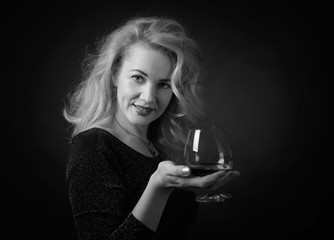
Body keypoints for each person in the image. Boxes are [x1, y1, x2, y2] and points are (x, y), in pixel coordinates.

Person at [63, 16, 240, 239]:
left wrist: (186, 190)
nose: (149, 97)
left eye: (164, 84)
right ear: (115, 74)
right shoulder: (94, 148)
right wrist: (159, 187)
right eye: (138, 77)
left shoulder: (155, 139)